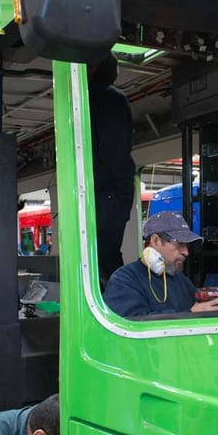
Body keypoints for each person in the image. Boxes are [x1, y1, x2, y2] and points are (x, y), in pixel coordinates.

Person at [104, 212, 218, 317]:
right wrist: (190, 314)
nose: (186, 252)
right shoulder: (125, 279)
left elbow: (197, 310)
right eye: (179, 243)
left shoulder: (181, 280)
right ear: (156, 241)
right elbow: (131, 325)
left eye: (187, 245)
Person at [88, 52, 136, 282]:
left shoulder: (103, 99)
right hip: (112, 191)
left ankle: (115, 298)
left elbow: (112, 151)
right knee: (106, 252)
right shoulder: (112, 99)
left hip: (108, 192)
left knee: (103, 254)